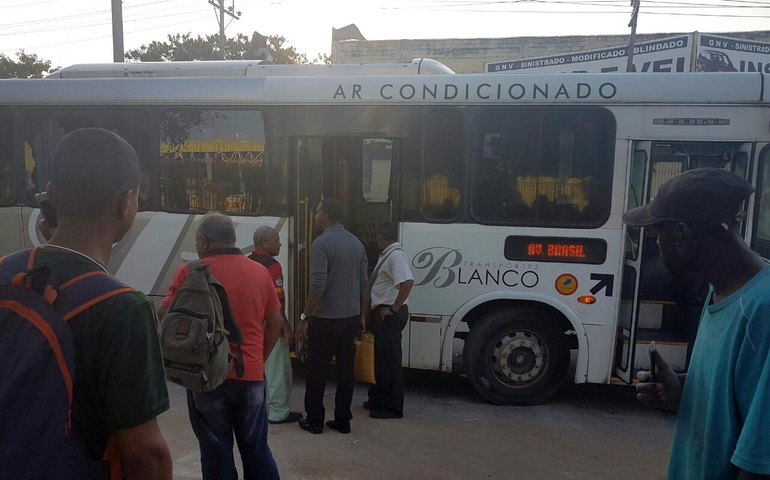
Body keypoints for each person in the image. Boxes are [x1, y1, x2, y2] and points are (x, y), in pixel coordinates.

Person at [23, 128, 172, 478]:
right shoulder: (123, 308)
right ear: (125, 203)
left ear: (54, 196)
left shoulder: (7, 272)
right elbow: (146, 453)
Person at [624, 168, 770, 480]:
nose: (657, 246)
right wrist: (679, 388)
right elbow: (734, 396)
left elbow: (760, 463)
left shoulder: (763, 309)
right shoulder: (720, 292)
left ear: (682, 235)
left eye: (656, 235)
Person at [159, 213, 283, 480]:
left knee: (216, 452)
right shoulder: (260, 272)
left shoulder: (191, 272)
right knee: (257, 450)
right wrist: (258, 359)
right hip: (250, 375)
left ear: (203, 241)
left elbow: (165, 314)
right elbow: (275, 321)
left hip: (207, 376)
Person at [297, 198, 368, 434]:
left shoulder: (321, 243)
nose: (315, 217)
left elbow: (318, 283)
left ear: (326, 215)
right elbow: (363, 283)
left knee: (317, 371)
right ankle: (343, 421)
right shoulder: (357, 244)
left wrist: (306, 315)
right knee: (345, 372)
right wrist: (361, 315)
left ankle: (315, 420)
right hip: (350, 318)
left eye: (317, 213)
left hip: (326, 319)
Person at [248, 226, 303, 425]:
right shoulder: (273, 266)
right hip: (270, 325)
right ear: (264, 242)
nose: (280, 243)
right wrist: (286, 327)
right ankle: (278, 412)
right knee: (278, 369)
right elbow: (277, 301)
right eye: (276, 240)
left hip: (252, 324)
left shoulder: (247, 262)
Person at [364, 222, 414, 419]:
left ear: (380, 236)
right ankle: (377, 399)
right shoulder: (388, 255)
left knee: (390, 362)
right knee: (381, 360)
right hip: (382, 314)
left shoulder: (395, 256)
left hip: (389, 315)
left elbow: (407, 282)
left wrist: (394, 308)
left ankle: (392, 407)